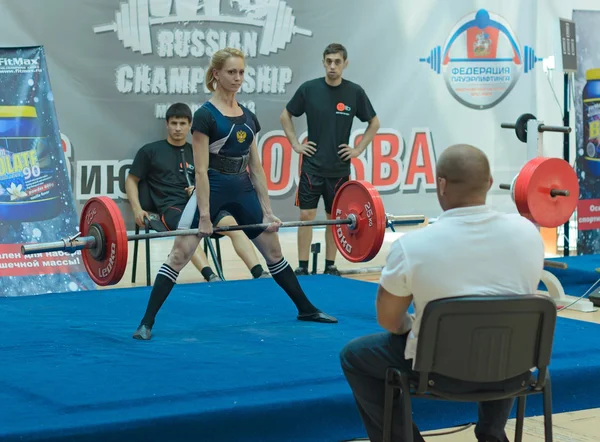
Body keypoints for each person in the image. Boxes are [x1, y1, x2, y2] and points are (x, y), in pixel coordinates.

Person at [339, 144, 546, 442]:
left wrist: (410, 325)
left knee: (354, 356)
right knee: (500, 336)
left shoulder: (413, 246)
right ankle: (492, 431)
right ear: (489, 183)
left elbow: (388, 320)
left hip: (438, 373)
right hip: (513, 371)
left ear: (442, 185)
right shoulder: (529, 234)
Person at [132, 48, 337, 340]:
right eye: (231, 72)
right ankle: (146, 323)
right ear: (216, 74)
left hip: (242, 189)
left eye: (241, 72)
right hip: (211, 189)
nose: (237, 78)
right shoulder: (205, 116)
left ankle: (306, 308)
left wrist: (266, 211)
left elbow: (256, 166)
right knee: (179, 254)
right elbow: (201, 171)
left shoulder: (248, 116)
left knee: (274, 251)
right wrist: (204, 217)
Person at [126, 102, 269, 283]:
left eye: (183, 124)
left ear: (190, 126)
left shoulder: (197, 149)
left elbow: (209, 177)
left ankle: (259, 273)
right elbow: (131, 180)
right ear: (167, 124)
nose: (178, 128)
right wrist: (137, 209)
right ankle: (211, 276)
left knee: (234, 226)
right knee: (190, 231)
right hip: (172, 208)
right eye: (174, 123)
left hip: (200, 203)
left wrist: (197, 189)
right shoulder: (150, 151)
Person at [280, 43, 380, 277]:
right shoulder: (309, 89)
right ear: (323, 62)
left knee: (335, 218)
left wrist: (357, 150)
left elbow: (374, 122)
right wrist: (296, 144)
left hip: (339, 168)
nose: (332, 66)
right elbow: (286, 115)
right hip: (311, 167)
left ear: (346, 64)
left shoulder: (354, 92)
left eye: (337, 62)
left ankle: (330, 265)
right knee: (306, 216)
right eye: (329, 61)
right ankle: (303, 265)